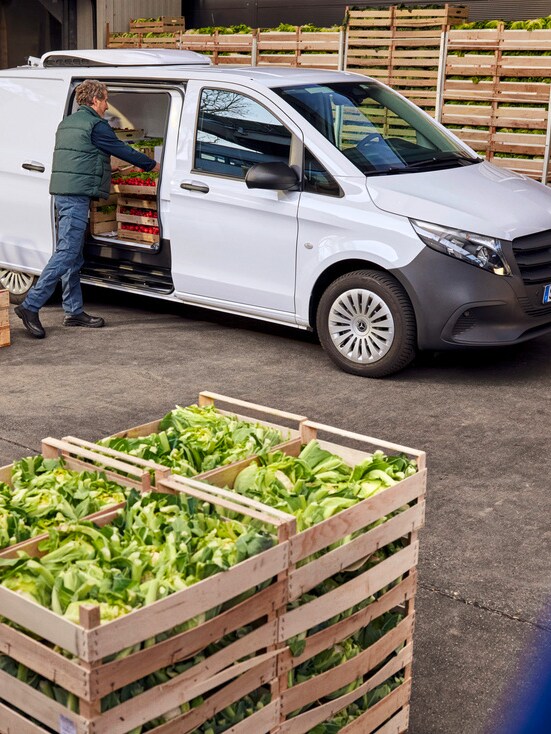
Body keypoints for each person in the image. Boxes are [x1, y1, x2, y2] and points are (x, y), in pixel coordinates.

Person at [15, 79, 160, 339]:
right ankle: (30, 305)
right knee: (66, 253)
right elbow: (121, 149)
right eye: (105, 99)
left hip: (63, 194)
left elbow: (78, 157)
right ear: (94, 100)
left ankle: (73, 311)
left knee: (72, 255)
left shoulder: (68, 122)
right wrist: (152, 165)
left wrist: (107, 168)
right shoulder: (96, 125)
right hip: (75, 197)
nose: (107, 105)